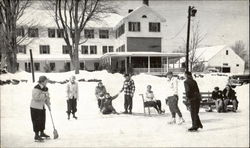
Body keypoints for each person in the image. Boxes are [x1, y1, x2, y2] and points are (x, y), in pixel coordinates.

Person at [30, 76, 51, 141]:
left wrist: (48, 105)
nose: (47, 82)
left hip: (42, 107)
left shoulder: (46, 88)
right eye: (46, 81)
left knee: (42, 120)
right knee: (36, 121)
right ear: (42, 81)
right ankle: (36, 135)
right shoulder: (36, 88)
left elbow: (47, 98)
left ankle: (42, 133)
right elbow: (36, 98)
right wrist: (45, 95)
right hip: (35, 107)